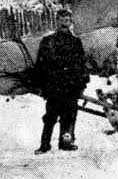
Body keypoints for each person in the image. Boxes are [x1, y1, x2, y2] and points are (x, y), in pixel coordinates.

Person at [33, 9, 89, 154]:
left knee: (69, 117)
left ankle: (66, 142)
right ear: (57, 21)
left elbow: (82, 65)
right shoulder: (47, 42)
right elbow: (40, 65)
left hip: (71, 87)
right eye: (62, 20)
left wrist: (82, 84)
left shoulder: (76, 42)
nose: (65, 24)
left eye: (68, 21)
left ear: (71, 23)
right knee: (50, 117)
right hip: (54, 86)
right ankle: (44, 144)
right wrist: (41, 85)